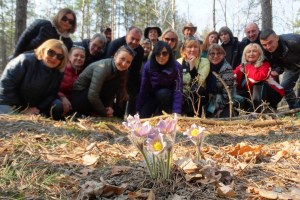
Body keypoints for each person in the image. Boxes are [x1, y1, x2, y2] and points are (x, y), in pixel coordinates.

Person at [0, 39, 68, 120]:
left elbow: (51, 95)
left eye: (59, 56)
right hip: (9, 102)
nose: (54, 58)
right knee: (10, 119)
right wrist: (22, 109)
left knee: (57, 105)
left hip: (34, 106)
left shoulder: (58, 73)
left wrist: (37, 109)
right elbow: (6, 87)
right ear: (43, 50)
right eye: (51, 52)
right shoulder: (24, 60)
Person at [72, 46, 135, 117]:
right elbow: (92, 94)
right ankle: (91, 113)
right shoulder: (104, 67)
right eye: (122, 59)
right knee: (113, 84)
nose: (124, 64)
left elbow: (112, 93)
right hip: (80, 98)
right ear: (115, 55)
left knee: (120, 98)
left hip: (91, 98)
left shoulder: (120, 71)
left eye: (128, 62)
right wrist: (104, 112)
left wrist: (109, 107)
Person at [136, 41, 183, 118]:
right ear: (154, 54)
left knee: (163, 94)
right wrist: (138, 108)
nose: (161, 56)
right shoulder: (148, 66)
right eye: (158, 53)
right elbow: (143, 88)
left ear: (169, 54)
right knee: (142, 116)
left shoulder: (177, 67)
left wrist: (176, 111)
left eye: (164, 53)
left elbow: (178, 90)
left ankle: (165, 114)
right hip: (152, 96)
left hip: (168, 97)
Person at [105, 26, 144, 117]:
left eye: (137, 40)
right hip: (111, 76)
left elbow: (135, 72)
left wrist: (127, 89)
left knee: (132, 90)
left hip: (128, 78)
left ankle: (124, 115)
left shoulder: (140, 50)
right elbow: (107, 64)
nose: (134, 42)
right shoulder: (115, 44)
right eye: (132, 38)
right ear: (126, 35)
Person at [234, 43, 284, 112]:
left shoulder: (265, 64)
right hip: (255, 97)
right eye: (248, 52)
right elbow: (233, 75)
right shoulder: (243, 66)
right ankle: (249, 109)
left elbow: (257, 79)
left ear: (259, 54)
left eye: (254, 51)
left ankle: (258, 112)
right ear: (245, 55)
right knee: (239, 87)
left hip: (274, 94)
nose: (251, 54)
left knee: (258, 84)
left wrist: (248, 67)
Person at [260, 29, 300, 109]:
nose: (268, 47)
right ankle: (295, 109)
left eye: (270, 42)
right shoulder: (266, 51)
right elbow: (277, 64)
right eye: (264, 44)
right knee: (284, 87)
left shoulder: (294, 40)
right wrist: (277, 71)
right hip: (291, 67)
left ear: (277, 38)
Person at [177, 38, 210, 117]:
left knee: (197, 91)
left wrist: (192, 67)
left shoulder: (204, 61)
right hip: (182, 92)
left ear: (199, 49)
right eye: (189, 47)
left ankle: (194, 117)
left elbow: (200, 81)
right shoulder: (178, 62)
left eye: (195, 47)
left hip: (198, 94)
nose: (193, 49)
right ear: (184, 49)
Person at [206, 44, 235, 118]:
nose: (215, 56)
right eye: (212, 53)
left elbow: (227, 92)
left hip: (222, 100)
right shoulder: (206, 66)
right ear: (208, 55)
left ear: (223, 55)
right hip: (208, 98)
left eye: (219, 53)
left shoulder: (226, 68)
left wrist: (219, 108)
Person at [57, 46, 86, 117]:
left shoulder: (84, 73)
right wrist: (62, 98)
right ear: (69, 57)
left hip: (73, 104)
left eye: (82, 57)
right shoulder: (61, 69)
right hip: (58, 98)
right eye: (76, 55)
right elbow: (52, 88)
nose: (79, 58)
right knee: (57, 107)